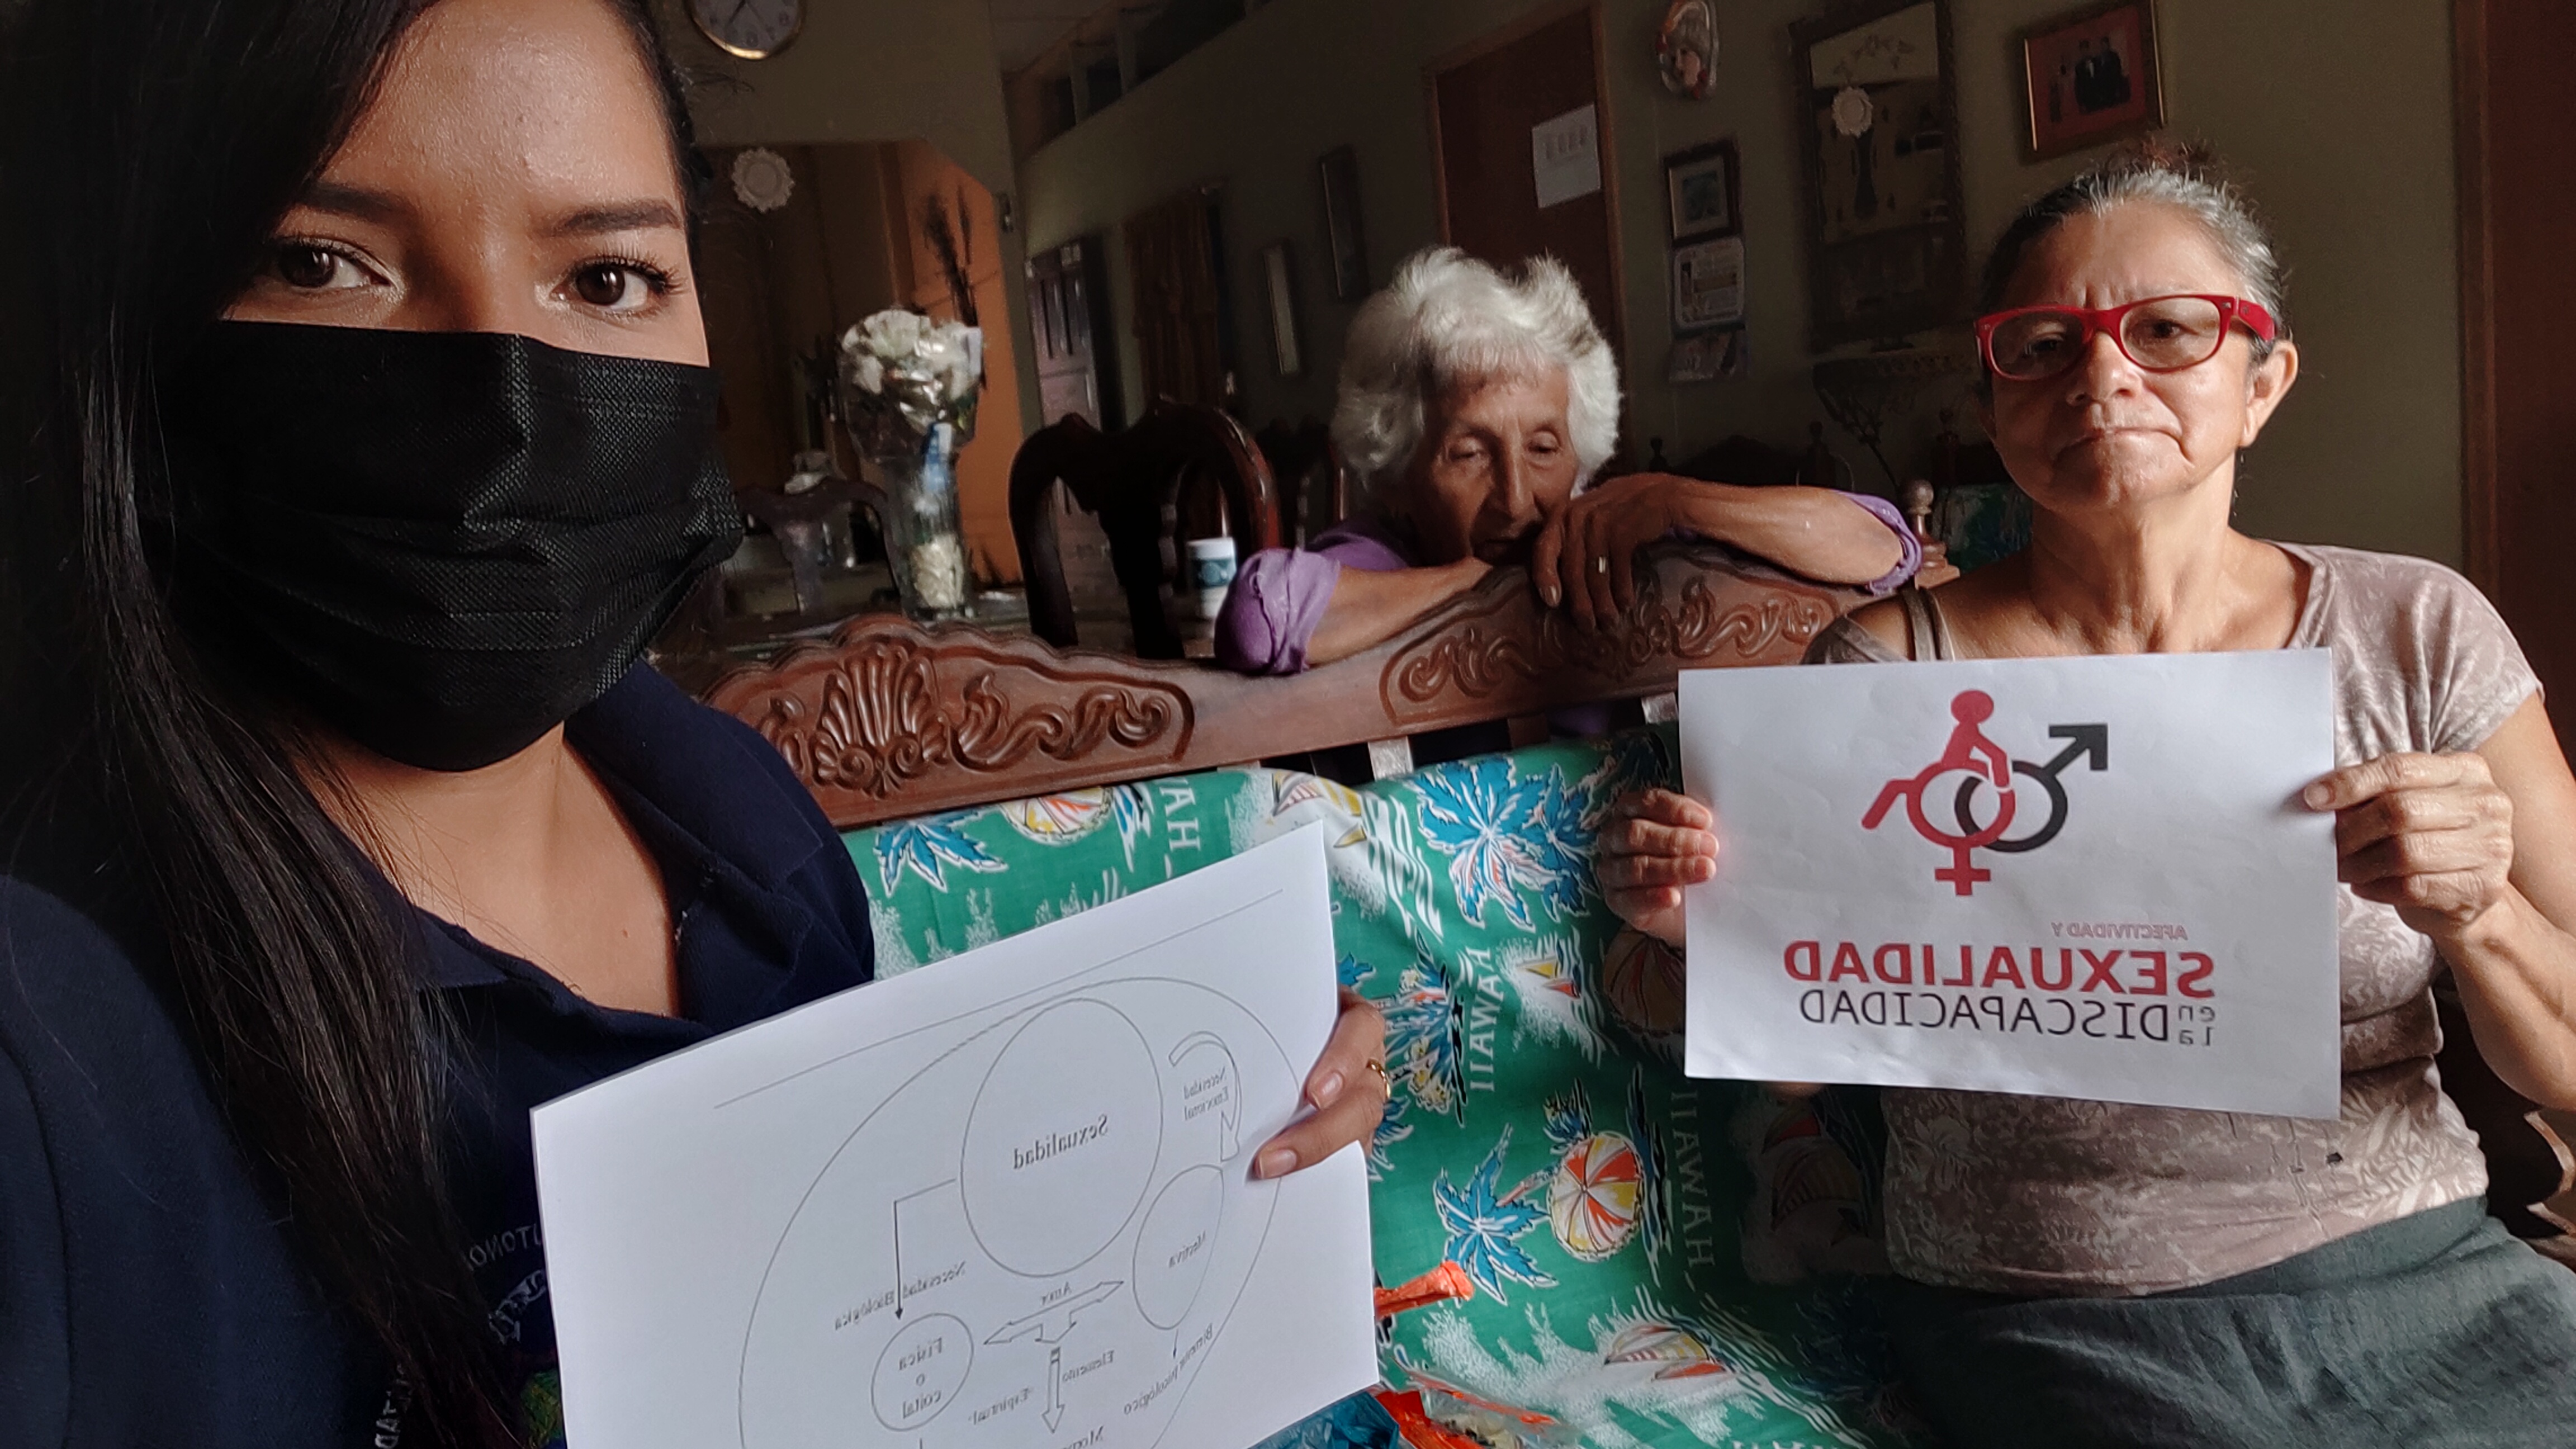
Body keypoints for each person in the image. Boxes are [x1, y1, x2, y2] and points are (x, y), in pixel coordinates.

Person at [0, 2, 1385, 1446]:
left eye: (606, 277)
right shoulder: (58, 1062)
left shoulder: (738, 821)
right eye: (320, 261)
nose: (505, 410)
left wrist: (1211, 1126)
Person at [1596, 144, 2576, 1446]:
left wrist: (2480, 915)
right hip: (2052, 1306)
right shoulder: (1886, 674)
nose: (2103, 376)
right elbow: (1801, 1071)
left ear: (2263, 382)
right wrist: (1708, 937)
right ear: (1994, 403)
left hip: (2421, 1268)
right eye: (2044, 344)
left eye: (2168, 330)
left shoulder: (2418, 630)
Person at [1216, 248, 1920, 676]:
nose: (1516, 497)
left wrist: (1675, 500)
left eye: (1544, 448)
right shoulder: (1383, 557)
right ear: (1398, 474)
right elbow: (1259, 616)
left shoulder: (1609, 529)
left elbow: (1886, 545)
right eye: (1469, 453)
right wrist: (1484, 582)